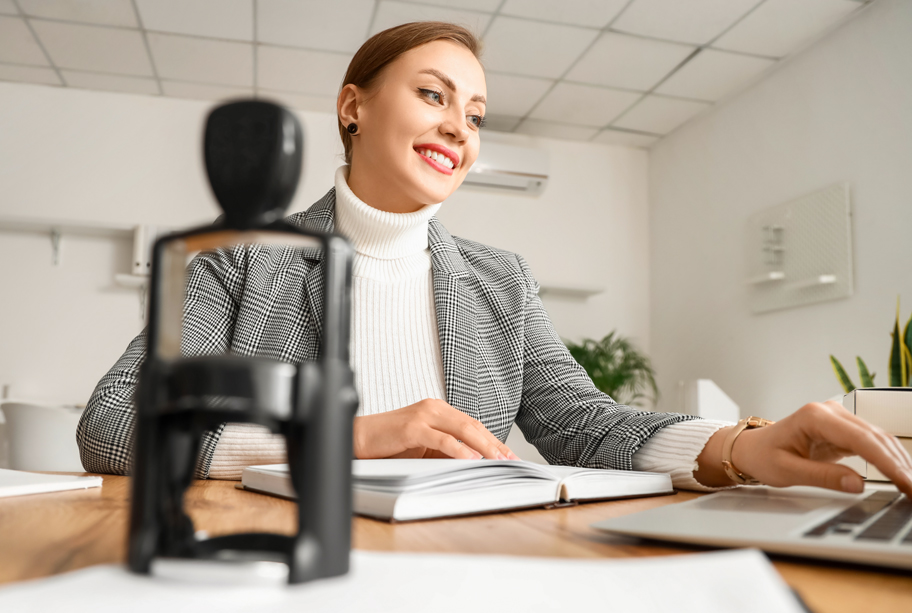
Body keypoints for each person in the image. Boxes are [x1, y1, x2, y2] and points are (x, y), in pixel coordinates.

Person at [77, 21, 912, 497]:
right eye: (434, 95)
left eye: (475, 114)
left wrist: (734, 447)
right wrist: (343, 439)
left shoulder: (500, 280)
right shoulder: (239, 262)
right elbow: (113, 428)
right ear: (353, 106)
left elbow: (582, 424)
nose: (459, 128)